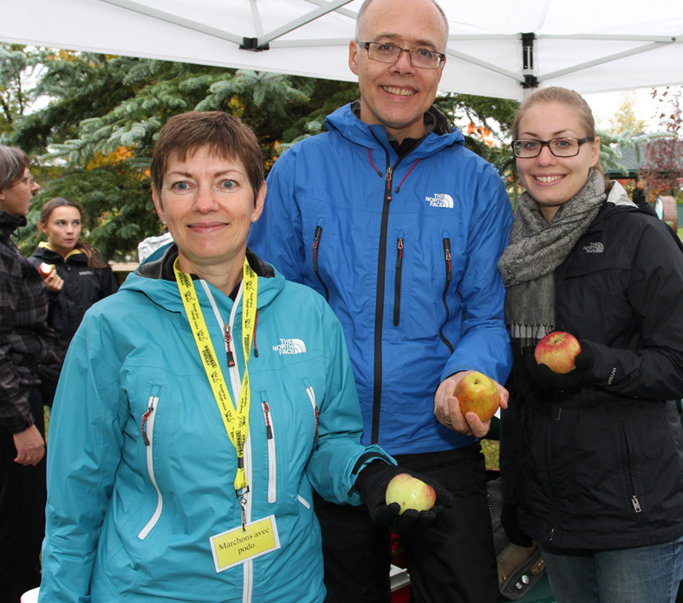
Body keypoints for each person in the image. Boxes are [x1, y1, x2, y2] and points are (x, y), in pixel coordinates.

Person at [39, 111, 451, 603]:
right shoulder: (111, 328)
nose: (205, 203)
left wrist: (371, 474)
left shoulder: (309, 314)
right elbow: (74, 498)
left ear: (257, 200)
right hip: (152, 589)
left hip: (289, 586)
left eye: (227, 183)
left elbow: (331, 441)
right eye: (182, 184)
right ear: (158, 202)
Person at [249, 0, 513, 603]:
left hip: (439, 443)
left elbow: (487, 314)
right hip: (326, 449)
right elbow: (267, 305)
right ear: (354, 55)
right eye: (386, 47)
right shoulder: (298, 170)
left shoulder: (476, 183)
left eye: (424, 52)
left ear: (441, 69)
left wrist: (470, 372)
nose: (403, 66)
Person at [497, 87, 683, 603]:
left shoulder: (641, 238)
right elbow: (521, 379)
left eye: (563, 142)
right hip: (554, 500)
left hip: (632, 507)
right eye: (530, 144)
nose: (545, 158)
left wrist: (591, 361)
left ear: (593, 151)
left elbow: (680, 367)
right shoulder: (512, 245)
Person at [0, 146, 63, 603]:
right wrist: (22, 425)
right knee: (17, 528)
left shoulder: (7, 245)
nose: (33, 186)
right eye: (25, 178)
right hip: (10, 416)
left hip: (20, 397)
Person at [29, 197, 119, 348]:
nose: (70, 231)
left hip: (92, 353)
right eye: (61, 223)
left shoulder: (95, 264)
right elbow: (26, 322)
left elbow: (114, 311)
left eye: (76, 223)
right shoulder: (31, 267)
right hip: (49, 361)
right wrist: (46, 294)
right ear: (43, 227)